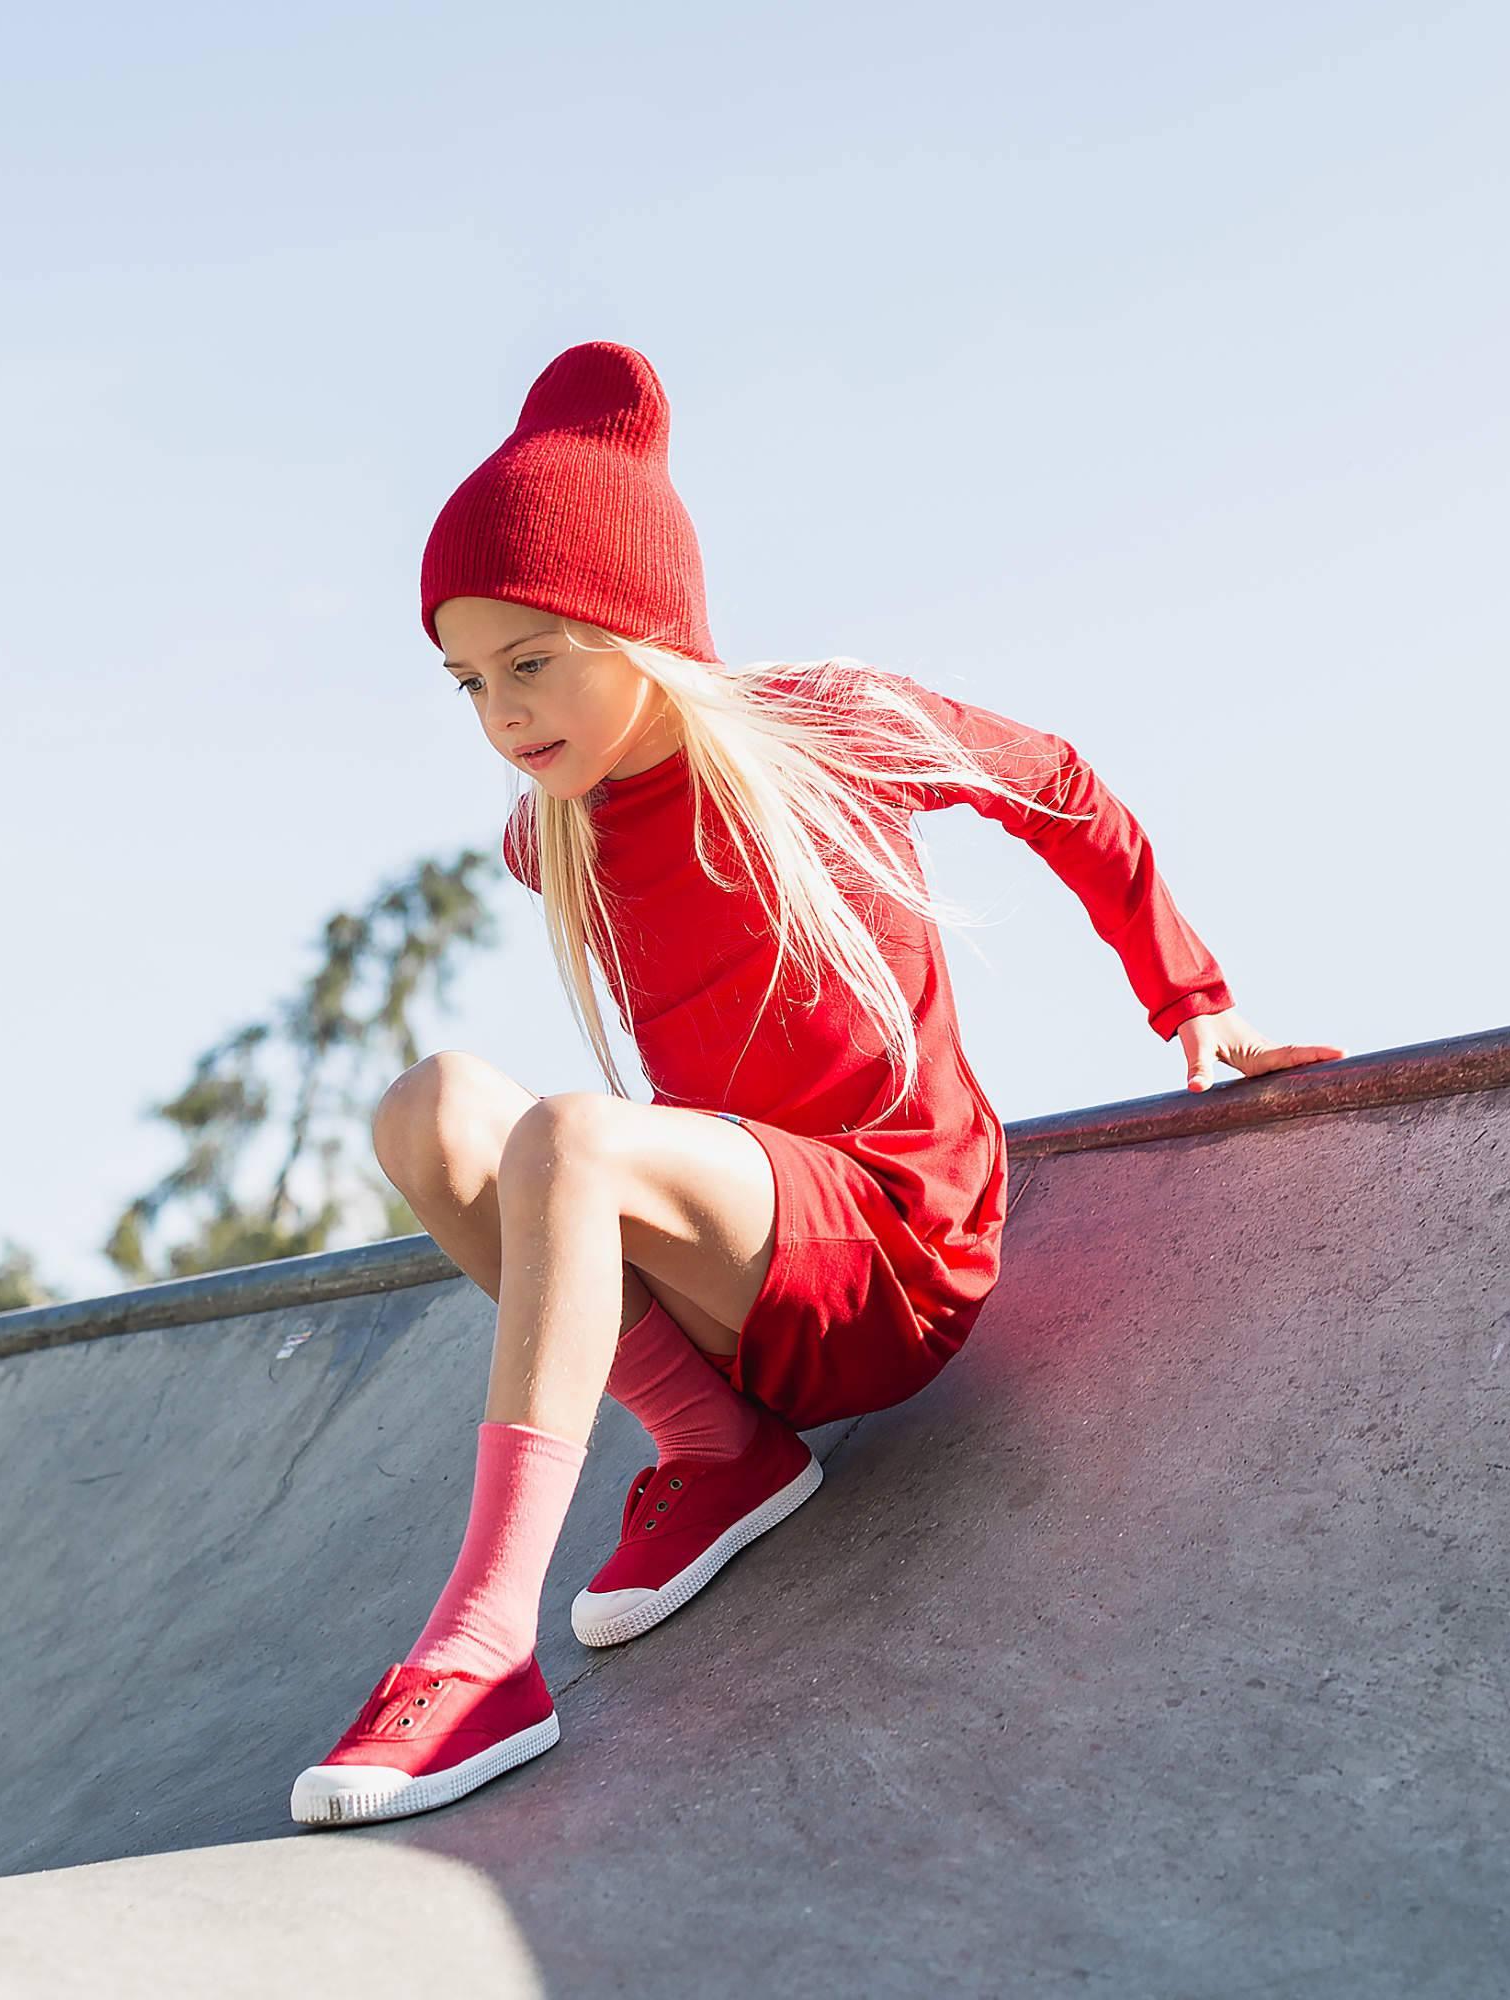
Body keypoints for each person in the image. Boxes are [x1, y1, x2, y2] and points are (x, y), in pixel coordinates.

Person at [288, 341, 1346, 1828]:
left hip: (898, 1259)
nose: (504, 718)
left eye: (535, 662)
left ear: (642, 630)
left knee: (577, 1140)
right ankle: (716, 1450)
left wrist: (1195, 997)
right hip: (756, 1292)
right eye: (469, 680)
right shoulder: (559, 828)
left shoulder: (827, 732)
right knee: (434, 1106)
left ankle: (479, 1654)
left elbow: (1063, 790)